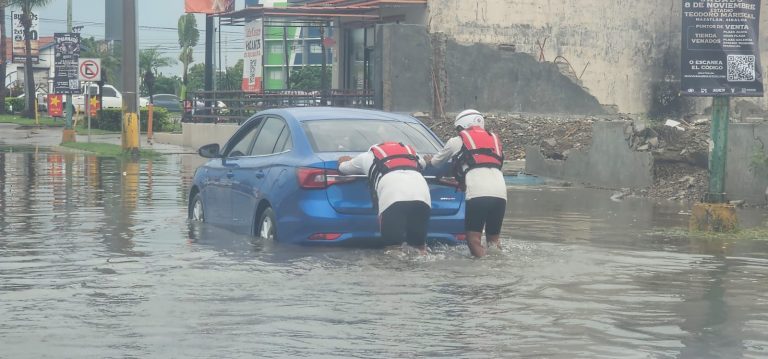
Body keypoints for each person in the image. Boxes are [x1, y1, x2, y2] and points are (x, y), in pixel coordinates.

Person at [424, 109, 506, 257]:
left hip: (478, 194)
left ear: (462, 126)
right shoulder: (495, 141)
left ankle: (483, 267)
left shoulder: (455, 141)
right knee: (493, 240)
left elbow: (436, 162)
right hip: (501, 193)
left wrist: (428, 161)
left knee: (473, 239)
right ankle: (498, 263)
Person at [338, 142, 431, 255]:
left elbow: (344, 168)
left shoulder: (366, 157)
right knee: (419, 247)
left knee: (393, 249)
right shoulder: (412, 155)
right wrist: (427, 160)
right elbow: (424, 163)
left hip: (392, 196)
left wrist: (343, 161)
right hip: (422, 193)